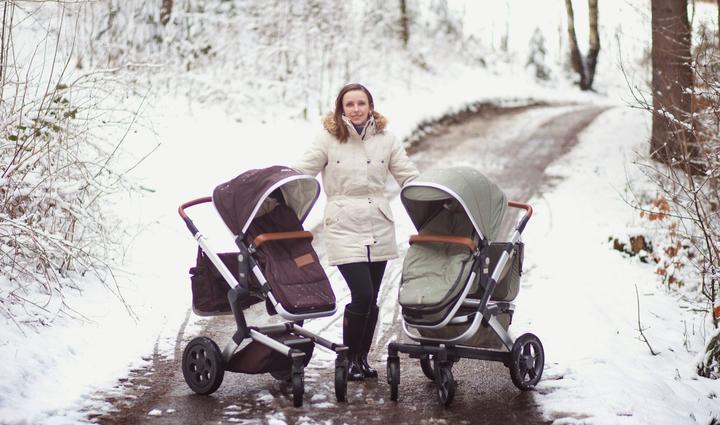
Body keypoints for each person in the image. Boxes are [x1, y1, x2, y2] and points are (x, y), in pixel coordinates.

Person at [292, 83, 419, 381]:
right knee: (361, 293)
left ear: (370, 106)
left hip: (378, 223)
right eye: (349, 104)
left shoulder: (387, 139)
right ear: (341, 109)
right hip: (343, 223)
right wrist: (276, 188)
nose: (356, 109)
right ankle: (349, 358)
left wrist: (432, 195)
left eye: (361, 103)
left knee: (371, 298)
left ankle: (362, 359)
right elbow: (302, 171)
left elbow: (408, 175)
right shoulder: (328, 139)